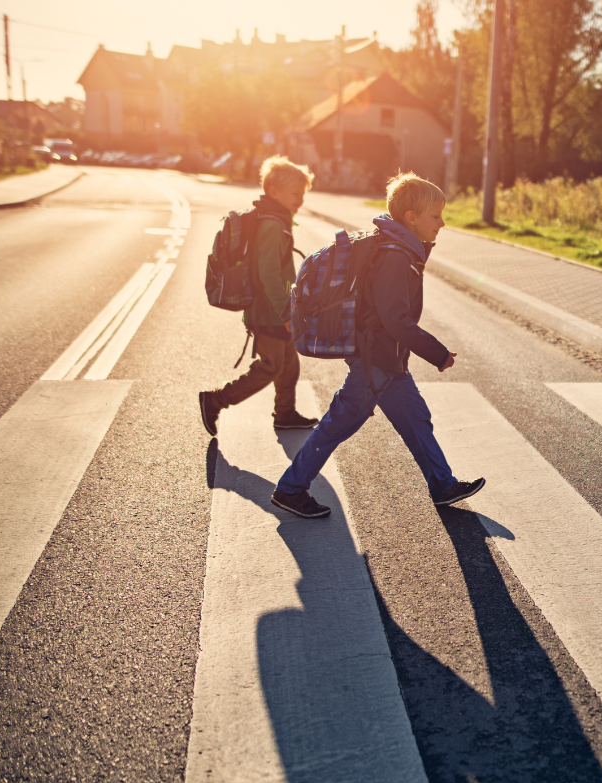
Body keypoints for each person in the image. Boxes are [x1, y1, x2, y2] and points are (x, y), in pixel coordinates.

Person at [269, 172, 485, 519]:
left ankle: (443, 485)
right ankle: (291, 489)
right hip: (376, 360)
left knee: (416, 420)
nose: (442, 223)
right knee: (337, 425)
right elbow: (394, 319)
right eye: (436, 216)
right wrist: (438, 354)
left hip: (388, 361)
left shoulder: (400, 249)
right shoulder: (396, 256)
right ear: (411, 218)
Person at [199, 156, 319, 436]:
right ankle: (215, 400)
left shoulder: (274, 220)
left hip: (275, 307)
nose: (300, 200)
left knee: (289, 364)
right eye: (295, 194)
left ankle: (286, 413)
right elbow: (267, 274)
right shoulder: (273, 226)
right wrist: (283, 312)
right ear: (274, 192)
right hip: (269, 310)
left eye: (303, 194)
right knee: (270, 366)